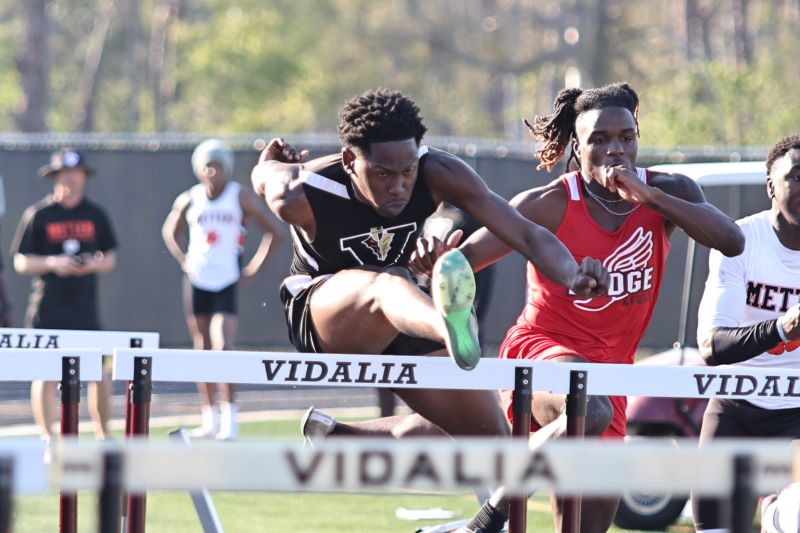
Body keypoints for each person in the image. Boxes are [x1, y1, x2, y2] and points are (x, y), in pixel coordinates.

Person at [407, 82, 745, 533]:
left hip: (613, 370)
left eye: (626, 137)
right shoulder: (546, 204)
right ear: (576, 147)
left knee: (586, 523)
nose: (616, 151)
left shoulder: (669, 191)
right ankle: (486, 520)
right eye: (599, 140)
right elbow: (460, 263)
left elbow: (731, 240)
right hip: (542, 350)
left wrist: (651, 200)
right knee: (591, 407)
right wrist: (435, 259)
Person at [250, 88, 609, 443]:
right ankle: (452, 324)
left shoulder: (438, 172)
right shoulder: (301, 192)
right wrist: (271, 160)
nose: (398, 187)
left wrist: (572, 274)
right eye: (382, 174)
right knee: (386, 281)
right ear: (349, 161)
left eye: (407, 171)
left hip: (405, 313)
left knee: (491, 440)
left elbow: (527, 234)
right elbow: (264, 177)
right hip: (323, 314)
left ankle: (341, 436)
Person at [692, 134, 800, 533]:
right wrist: (781, 328)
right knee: (714, 527)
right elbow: (711, 345)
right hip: (735, 401)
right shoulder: (740, 239)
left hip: (796, 410)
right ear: (771, 184)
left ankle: (776, 513)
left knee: (796, 513)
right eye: (798, 176)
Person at [162, 139, 286, 440]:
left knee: (222, 345)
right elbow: (170, 230)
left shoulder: (238, 196)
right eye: (206, 166)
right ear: (198, 170)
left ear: (226, 169)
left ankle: (230, 418)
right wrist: (184, 259)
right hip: (197, 279)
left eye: (217, 166)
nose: (211, 172)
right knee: (200, 347)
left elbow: (275, 231)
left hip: (226, 279)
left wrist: (255, 267)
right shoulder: (189, 198)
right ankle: (210, 419)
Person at [11, 148, 118, 444]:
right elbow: (21, 261)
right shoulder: (39, 214)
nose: (73, 179)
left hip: (85, 308)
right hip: (48, 308)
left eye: (77, 174)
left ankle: (103, 434)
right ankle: (48, 437)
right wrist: (53, 263)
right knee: (44, 373)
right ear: (55, 177)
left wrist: (91, 264)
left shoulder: (95, 214)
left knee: (100, 372)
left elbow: (109, 257)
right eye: (66, 174)